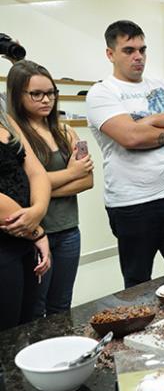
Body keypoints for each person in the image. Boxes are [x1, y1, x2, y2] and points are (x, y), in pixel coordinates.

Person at [86, 20, 164, 288]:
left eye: (142, 49)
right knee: (139, 286)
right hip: (132, 205)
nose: (138, 56)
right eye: (129, 50)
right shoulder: (102, 93)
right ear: (110, 54)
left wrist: (151, 120)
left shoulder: (162, 85)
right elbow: (131, 137)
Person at [6, 60, 93, 318]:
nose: (46, 100)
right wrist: (70, 174)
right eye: (36, 94)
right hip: (32, 233)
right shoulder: (12, 133)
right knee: (34, 311)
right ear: (17, 94)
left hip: (67, 231)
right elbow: (19, 187)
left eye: (51, 93)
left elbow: (87, 180)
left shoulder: (64, 131)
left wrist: (39, 188)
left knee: (61, 307)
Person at [0, 110, 51, 331]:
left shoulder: (4, 117)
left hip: (23, 239)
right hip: (7, 240)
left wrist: (38, 210)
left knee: (25, 326)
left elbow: (37, 172)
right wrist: (36, 231)